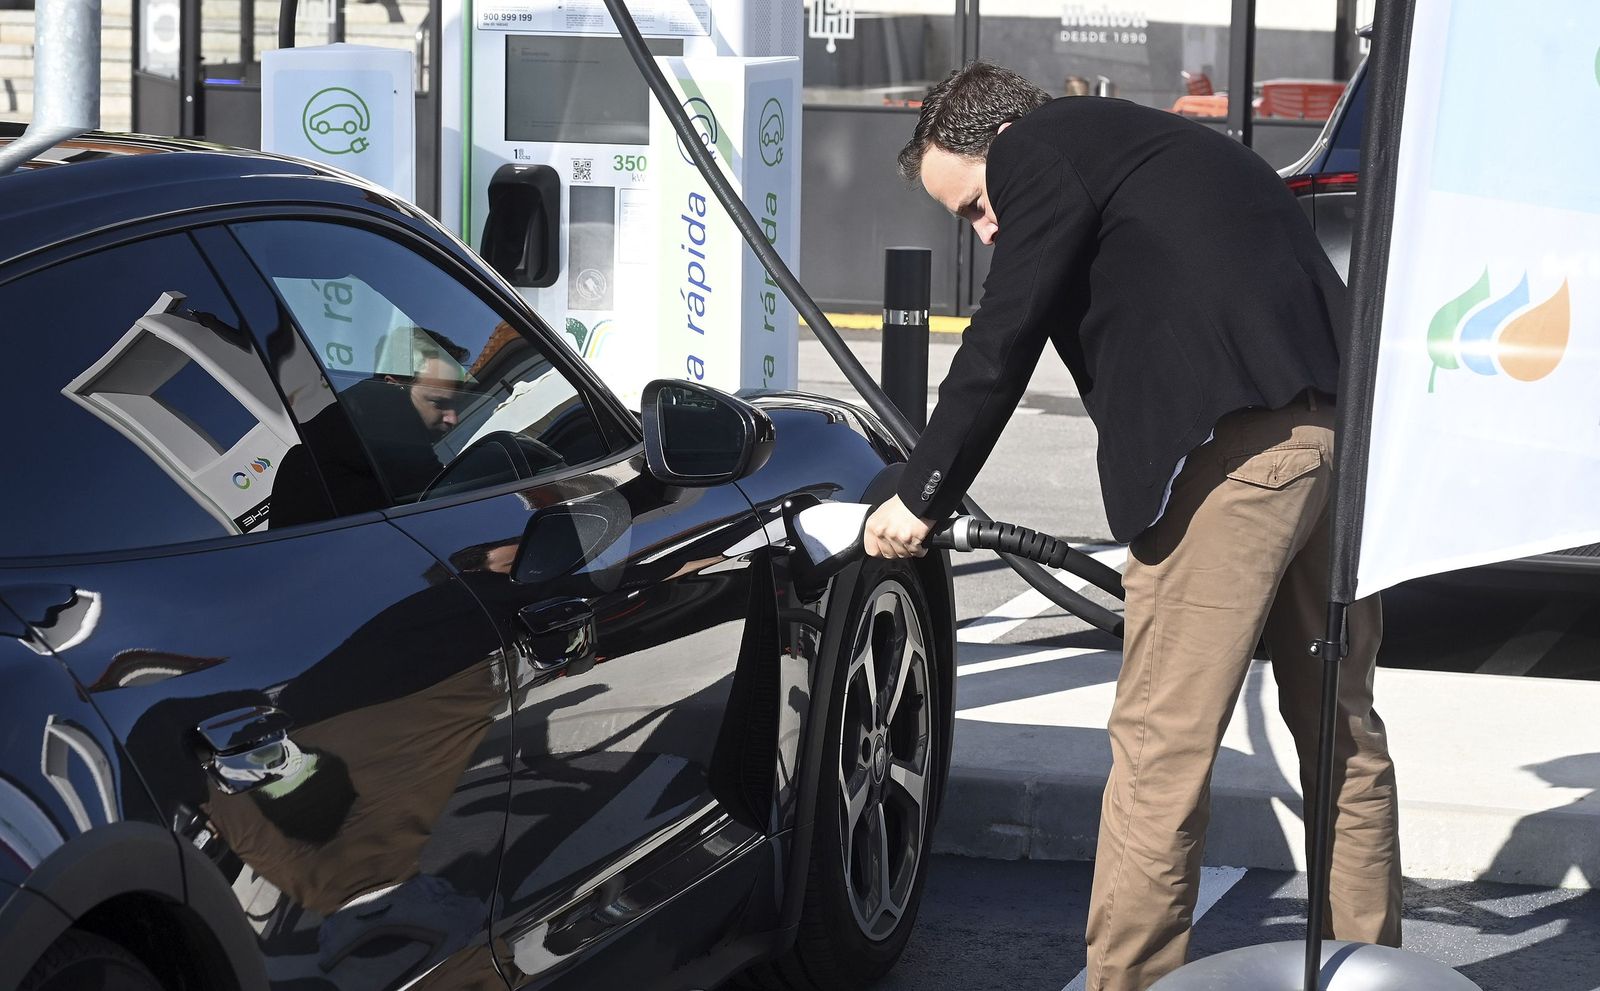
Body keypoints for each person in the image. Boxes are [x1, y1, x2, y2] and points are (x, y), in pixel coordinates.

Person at [863, 62, 1400, 990]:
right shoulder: (1165, 144)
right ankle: (1373, 966)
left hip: (1232, 459)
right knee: (1340, 733)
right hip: (1340, 439)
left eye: (975, 207)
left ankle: (1129, 982)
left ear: (1001, 142)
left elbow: (1002, 338)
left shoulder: (1039, 148)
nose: (990, 232)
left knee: (1159, 751)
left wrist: (921, 495)